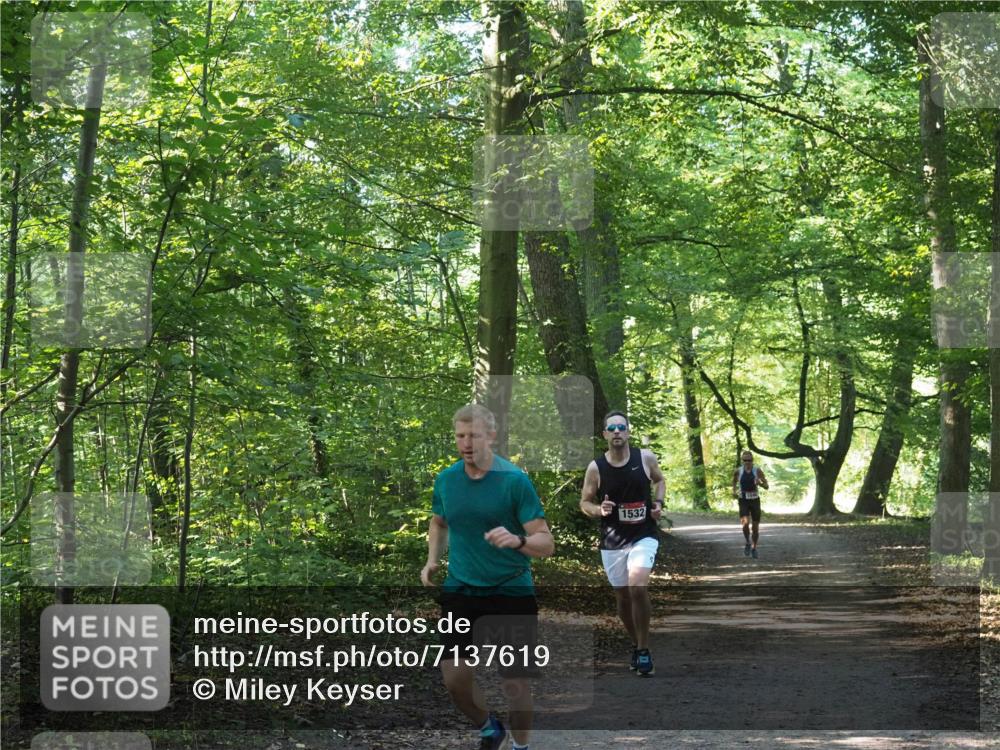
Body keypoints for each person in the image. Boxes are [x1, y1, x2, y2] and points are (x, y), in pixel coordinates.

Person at [422, 403, 554, 750]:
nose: (466, 443)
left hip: (510, 589)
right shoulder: (446, 480)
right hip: (461, 589)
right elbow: (439, 522)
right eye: (460, 436)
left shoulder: (514, 481)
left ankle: (521, 746)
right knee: (455, 680)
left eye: (474, 435)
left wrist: (519, 540)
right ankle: (489, 728)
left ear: (491, 436)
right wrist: (432, 560)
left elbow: (546, 543)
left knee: (515, 683)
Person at [579, 410, 665, 677]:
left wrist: (658, 503)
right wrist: (598, 510)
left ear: (628, 432)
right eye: (612, 428)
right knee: (623, 596)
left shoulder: (645, 458)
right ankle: (636, 644)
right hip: (613, 540)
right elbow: (585, 502)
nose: (617, 431)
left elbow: (660, 480)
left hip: (643, 535)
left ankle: (644, 649)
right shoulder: (596, 468)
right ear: (605, 434)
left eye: (621, 427)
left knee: (637, 586)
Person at [732, 450, 769, 559]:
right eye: (745, 460)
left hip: (755, 500)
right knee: (745, 524)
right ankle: (748, 542)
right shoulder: (738, 471)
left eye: (749, 460)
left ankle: (754, 547)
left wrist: (760, 483)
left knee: (755, 527)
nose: (747, 462)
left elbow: (767, 486)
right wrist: (734, 491)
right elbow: (734, 481)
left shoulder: (757, 470)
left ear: (752, 460)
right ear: (742, 461)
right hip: (743, 499)